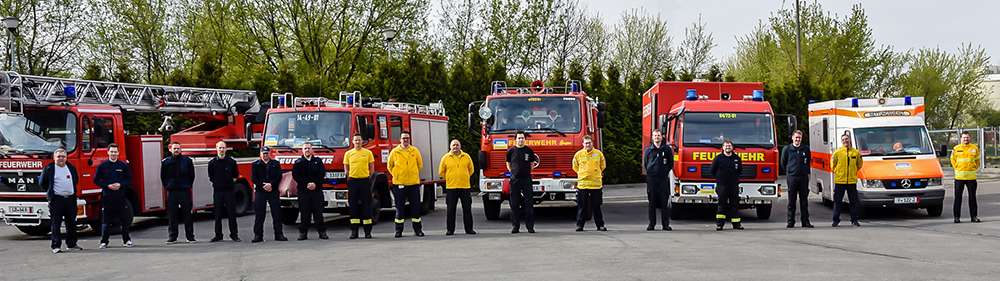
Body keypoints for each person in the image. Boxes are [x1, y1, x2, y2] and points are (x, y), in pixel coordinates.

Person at [41, 148, 83, 253]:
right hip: (57, 200)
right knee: (56, 224)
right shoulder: (49, 168)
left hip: (70, 200)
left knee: (71, 223)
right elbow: (43, 183)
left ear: (66, 157)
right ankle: (56, 246)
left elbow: (75, 180)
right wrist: (50, 193)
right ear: (54, 157)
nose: (61, 158)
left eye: (63, 156)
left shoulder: (71, 167)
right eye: (58, 156)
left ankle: (72, 244)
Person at [95, 144, 134, 248]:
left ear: (118, 152)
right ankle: (104, 242)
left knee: (124, 220)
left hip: (120, 197)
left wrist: (120, 184)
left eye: (115, 152)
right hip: (107, 197)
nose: (113, 154)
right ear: (107, 152)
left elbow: (129, 179)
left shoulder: (123, 166)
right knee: (106, 221)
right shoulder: (102, 166)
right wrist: (107, 185)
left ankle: (127, 240)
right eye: (111, 152)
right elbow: (96, 180)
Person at [387, 131, 425, 238]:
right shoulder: (395, 152)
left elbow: (419, 165)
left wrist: (412, 174)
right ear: (400, 140)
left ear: (410, 139)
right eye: (403, 138)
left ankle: (418, 230)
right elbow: (389, 166)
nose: (405, 140)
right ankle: (398, 231)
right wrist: (397, 175)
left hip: (413, 184)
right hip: (399, 184)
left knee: (415, 209)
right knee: (400, 209)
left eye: (407, 138)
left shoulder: (415, 151)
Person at [439, 139, 476, 236]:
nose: (455, 147)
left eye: (457, 145)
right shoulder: (445, 158)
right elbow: (441, 172)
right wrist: (450, 178)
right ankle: (450, 230)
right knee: (451, 210)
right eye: (453, 145)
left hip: (465, 187)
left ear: (460, 146)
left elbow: (471, 170)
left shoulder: (466, 156)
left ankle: (469, 229)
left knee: (467, 209)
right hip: (451, 188)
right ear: (450, 147)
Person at [161, 142, 196, 244]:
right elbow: (163, 177)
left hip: (184, 190)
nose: (176, 150)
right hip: (172, 192)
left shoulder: (187, 161)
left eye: (178, 148)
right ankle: (172, 237)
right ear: (170, 149)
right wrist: (168, 186)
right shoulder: (166, 162)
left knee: (187, 215)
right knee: (172, 215)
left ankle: (190, 237)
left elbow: (191, 176)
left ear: (181, 150)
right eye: (174, 148)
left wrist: (188, 185)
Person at [292, 143, 329, 240]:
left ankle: (322, 232)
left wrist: (315, 184)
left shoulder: (318, 161)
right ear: (302, 150)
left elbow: (322, 174)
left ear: (312, 150)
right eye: (305, 148)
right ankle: (303, 233)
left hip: (316, 191)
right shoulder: (298, 162)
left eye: (309, 148)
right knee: (304, 213)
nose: (307, 150)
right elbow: (296, 176)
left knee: (318, 212)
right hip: (304, 191)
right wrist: (307, 184)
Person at [251, 147, 287, 243]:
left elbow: (279, 176)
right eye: (263, 153)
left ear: (269, 154)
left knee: (277, 214)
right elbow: (254, 178)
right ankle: (258, 235)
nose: (265, 155)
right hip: (260, 191)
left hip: (273, 191)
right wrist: (263, 185)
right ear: (260, 154)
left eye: (266, 153)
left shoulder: (275, 164)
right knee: (259, 214)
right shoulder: (255, 165)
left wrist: (271, 184)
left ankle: (279, 234)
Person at [344, 134, 376, 239]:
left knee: (367, 206)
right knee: (353, 207)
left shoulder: (368, 153)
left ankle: (367, 232)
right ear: (352, 142)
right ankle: (354, 232)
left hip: (364, 181)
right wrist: (350, 177)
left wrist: (368, 178)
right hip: (353, 182)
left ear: (362, 141)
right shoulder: (348, 154)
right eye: (356, 140)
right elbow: (346, 168)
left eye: (359, 140)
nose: (357, 142)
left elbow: (371, 168)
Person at [506, 131, 539, 234]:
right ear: (515, 140)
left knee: (528, 204)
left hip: (526, 180)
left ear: (525, 139)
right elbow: (508, 163)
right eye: (519, 138)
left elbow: (532, 163)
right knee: (514, 204)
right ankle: (515, 226)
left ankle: (530, 227)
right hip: (515, 180)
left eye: (522, 138)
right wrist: (512, 172)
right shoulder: (511, 151)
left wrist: (527, 172)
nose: (521, 140)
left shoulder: (529, 151)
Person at [208, 141, 241, 242]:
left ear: (226, 149)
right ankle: (218, 235)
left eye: (223, 148)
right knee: (217, 214)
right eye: (220, 148)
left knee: (231, 213)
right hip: (218, 191)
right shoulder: (212, 163)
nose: (221, 150)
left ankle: (234, 235)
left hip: (229, 191)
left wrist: (229, 183)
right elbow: (211, 176)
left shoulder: (231, 162)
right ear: (216, 148)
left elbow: (236, 176)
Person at [573, 135, 607, 232]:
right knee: (582, 207)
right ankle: (580, 226)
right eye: (586, 143)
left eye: (589, 143)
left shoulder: (598, 154)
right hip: (583, 185)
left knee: (596, 206)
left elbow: (603, 166)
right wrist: (583, 173)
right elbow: (575, 167)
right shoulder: (578, 155)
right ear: (583, 144)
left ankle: (600, 225)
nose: (588, 144)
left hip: (596, 185)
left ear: (592, 143)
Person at [781, 130, 813, 228]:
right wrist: (790, 171)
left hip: (803, 178)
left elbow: (808, 161)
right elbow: (783, 163)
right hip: (792, 178)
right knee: (791, 201)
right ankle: (790, 222)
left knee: (804, 201)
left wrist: (804, 171)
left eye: (799, 137)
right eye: (796, 137)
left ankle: (805, 222)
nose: (798, 139)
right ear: (792, 138)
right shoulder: (787, 149)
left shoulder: (806, 149)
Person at [643, 129, 674, 231]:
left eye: (658, 135)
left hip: (663, 180)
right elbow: (646, 164)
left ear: (662, 137)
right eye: (655, 136)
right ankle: (651, 224)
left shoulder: (667, 150)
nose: (657, 137)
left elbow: (671, 164)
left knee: (664, 203)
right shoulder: (648, 150)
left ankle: (665, 225)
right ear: (652, 138)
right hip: (652, 180)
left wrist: (663, 172)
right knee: (652, 203)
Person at [831, 131, 863, 227]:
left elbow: (859, 164)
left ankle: (854, 220)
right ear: (841, 141)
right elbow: (833, 165)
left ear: (849, 140)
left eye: (847, 139)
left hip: (851, 181)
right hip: (840, 181)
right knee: (838, 202)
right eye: (843, 140)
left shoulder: (856, 152)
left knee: (853, 202)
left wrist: (853, 172)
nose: (845, 141)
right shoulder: (837, 152)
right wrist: (837, 171)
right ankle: (836, 220)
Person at [711, 140, 744, 231]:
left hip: (733, 186)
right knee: (721, 205)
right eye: (726, 146)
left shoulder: (737, 158)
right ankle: (720, 224)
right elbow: (712, 171)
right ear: (723, 147)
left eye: (729, 146)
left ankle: (736, 224)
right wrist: (719, 179)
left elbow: (740, 171)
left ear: (732, 147)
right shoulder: (718, 158)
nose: (728, 147)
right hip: (722, 186)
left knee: (734, 205)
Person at [951, 132, 981, 223]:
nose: (965, 139)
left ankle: (974, 217)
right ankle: (956, 217)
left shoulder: (974, 148)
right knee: (957, 198)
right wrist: (957, 168)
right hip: (959, 178)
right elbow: (952, 160)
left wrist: (973, 168)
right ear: (961, 138)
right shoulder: (956, 148)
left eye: (967, 137)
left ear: (970, 138)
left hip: (971, 178)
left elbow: (977, 161)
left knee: (972, 198)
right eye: (964, 137)